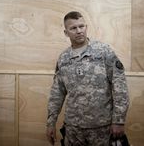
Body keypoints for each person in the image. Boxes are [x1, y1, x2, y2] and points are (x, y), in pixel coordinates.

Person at [46, 11, 129, 146]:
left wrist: (119, 120)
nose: (79, 31)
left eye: (81, 26)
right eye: (73, 28)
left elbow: (120, 87)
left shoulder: (103, 52)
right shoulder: (63, 58)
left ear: (86, 27)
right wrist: (51, 123)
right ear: (66, 32)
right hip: (73, 129)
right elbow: (57, 93)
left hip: (101, 127)